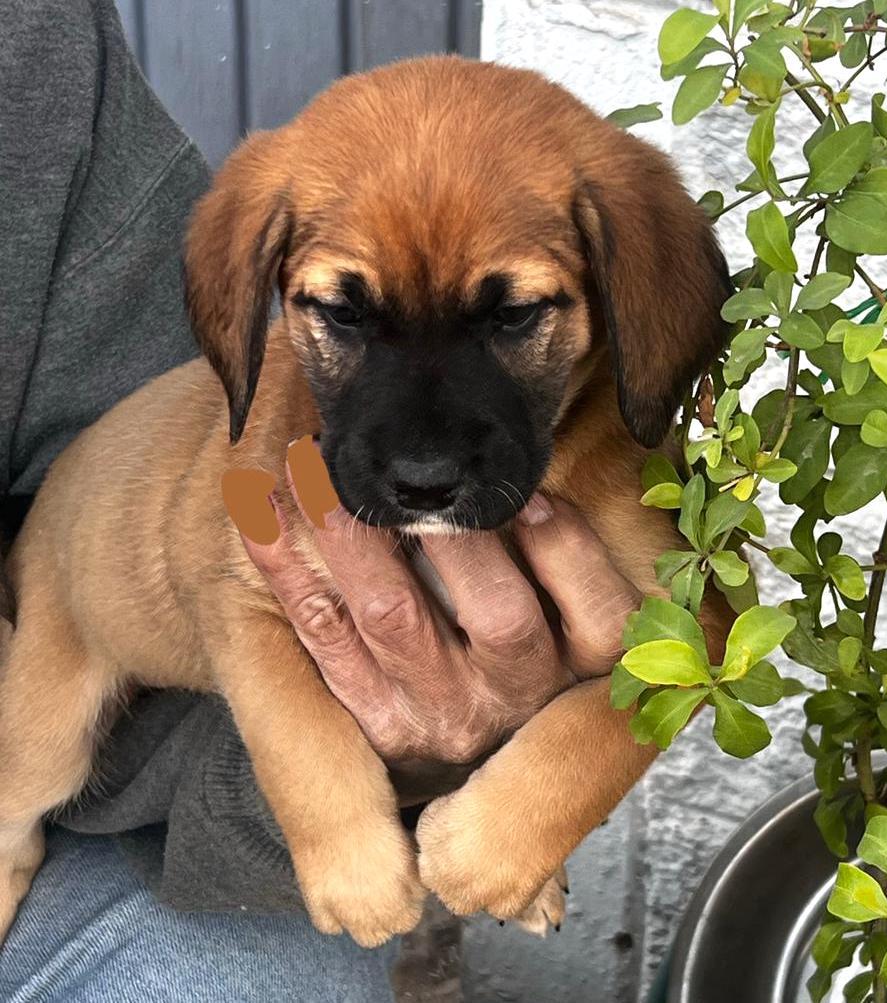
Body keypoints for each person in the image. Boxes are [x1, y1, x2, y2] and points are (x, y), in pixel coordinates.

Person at [0, 2, 644, 1000]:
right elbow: (238, 596)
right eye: (343, 312)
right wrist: (334, 819)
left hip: (182, 799)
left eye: (513, 313)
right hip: (76, 627)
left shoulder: (46, 54)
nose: (424, 456)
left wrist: (532, 789)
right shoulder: (252, 397)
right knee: (21, 776)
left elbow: (688, 652)